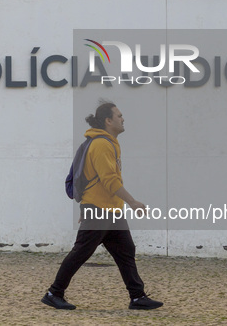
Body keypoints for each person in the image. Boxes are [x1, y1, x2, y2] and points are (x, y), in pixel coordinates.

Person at [41, 102, 163, 310]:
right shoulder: (101, 145)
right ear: (108, 120)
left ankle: (137, 296)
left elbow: (98, 179)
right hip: (99, 211)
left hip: (111, 211)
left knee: (126, 251)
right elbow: (110, 181)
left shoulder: (110, 143)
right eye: (119, 115)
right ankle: (54, 292)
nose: (123, 119)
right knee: (81, 252)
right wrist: (132, 202)